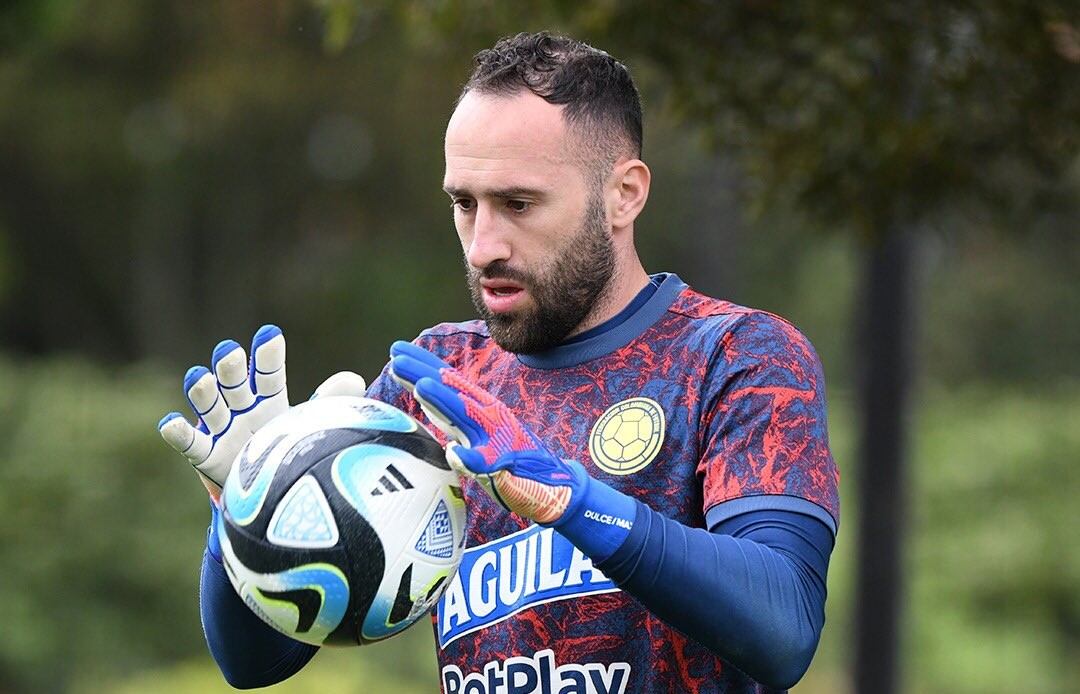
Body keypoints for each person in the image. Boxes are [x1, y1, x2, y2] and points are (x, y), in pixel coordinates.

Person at [159, 32, 839, 693]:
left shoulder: (735, 356)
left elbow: (784, 631)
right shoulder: (437, 380)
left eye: (518, 203)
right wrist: (249, 519)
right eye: (465, 204)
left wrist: (576, 504)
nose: (483, 245)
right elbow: (256, 663)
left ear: (624, 194)